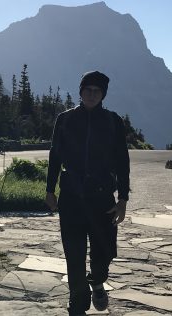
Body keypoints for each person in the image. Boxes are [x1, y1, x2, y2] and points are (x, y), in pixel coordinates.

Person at [45, 71, 130, 316]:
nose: (92, 94)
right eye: (87, 90)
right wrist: (50, 190)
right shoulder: (65, 119)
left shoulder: (113, 121)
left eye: (97, 91)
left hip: (102, 198)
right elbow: (55, 156)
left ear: (103, 94)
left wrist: (123, 199)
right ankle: (78, 305)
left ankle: (98, 280)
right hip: (71, 196)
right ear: (80, 92)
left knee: (104, 251)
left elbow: (122, 162)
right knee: (74, 253)